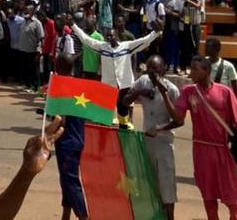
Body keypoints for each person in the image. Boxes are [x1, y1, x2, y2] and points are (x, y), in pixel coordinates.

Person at [158, 54, 237, 220]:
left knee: (232, 193)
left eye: (195, 69)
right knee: (208, 192)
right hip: (201, 150)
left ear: (206, 71)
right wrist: (164, 96)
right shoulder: (188, 92)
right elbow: (178, 119)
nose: (190, 72)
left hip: (224, 149)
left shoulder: (225, 92)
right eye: (190, 68)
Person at [72, 21, 161, 125]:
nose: (109, 38)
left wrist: (156, 32)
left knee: (123, 111)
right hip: (108, 85)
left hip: (125, 84)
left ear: (117, 36)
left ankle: (124, 131)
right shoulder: (103, 47)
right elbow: (86, 40)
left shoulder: (127, 46)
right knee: (105, 113)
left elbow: (144, 41)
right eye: (108, 36)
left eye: (112, 36)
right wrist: (73, 26)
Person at [124, 55, 178, 220]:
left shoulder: (172, 90)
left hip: (164, 142)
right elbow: (125, 101)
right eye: (148, 70)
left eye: (154, 71)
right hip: (147, 141)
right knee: (150, 182)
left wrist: (161, 128)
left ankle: (170, 216)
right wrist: (139, 92)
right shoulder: (143, 82)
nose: (151, 75)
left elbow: (178, 120)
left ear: (163, 70)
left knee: (167, 184)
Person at [48, 53, 87, 220]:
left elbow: (60, 120)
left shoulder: (60, 88)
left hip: (66, 142)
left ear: (57, 67)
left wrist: (47, 134)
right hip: (78, 138)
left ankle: (84, 216)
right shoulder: (80, 86)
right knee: (66, 180)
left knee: (71, 182)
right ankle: (66, 214)